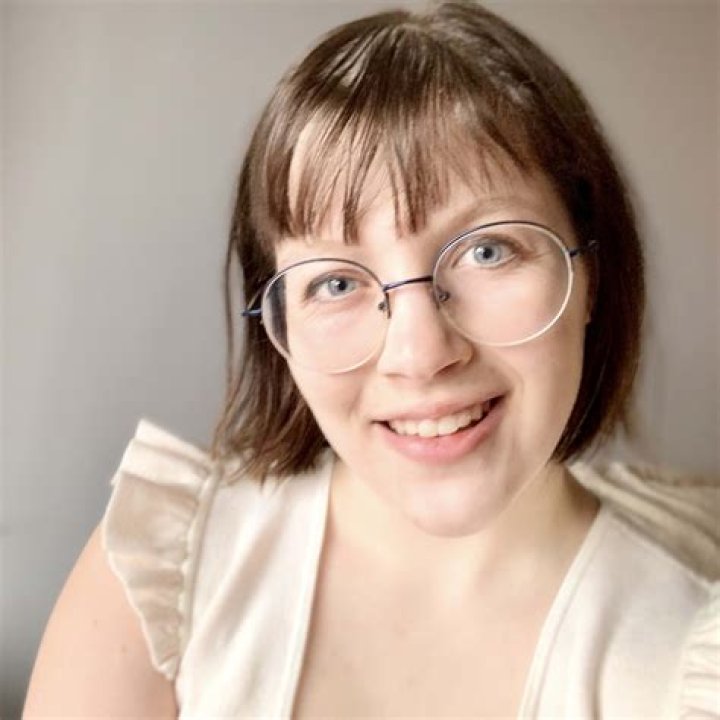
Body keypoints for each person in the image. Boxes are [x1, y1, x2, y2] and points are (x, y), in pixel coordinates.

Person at [23, 1, 719, 717]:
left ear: (590, 276)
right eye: (335, 283)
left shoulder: (693, 655)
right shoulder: (162, 585)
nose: (420, 355)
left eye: (487, 250)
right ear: (278, 325)